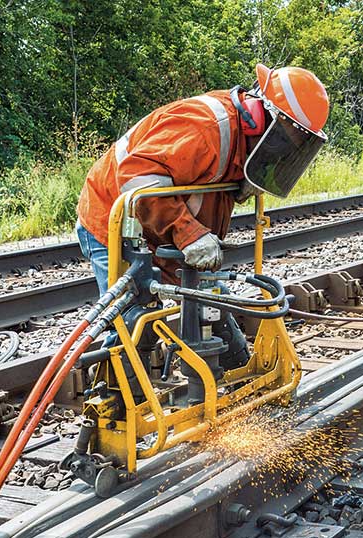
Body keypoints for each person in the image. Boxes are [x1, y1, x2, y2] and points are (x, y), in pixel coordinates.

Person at [74, 63, 329, 368]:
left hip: (160, 229)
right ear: (263, 118)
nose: (281, 153)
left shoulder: (241, 144)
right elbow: (138, 175)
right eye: (285, 142)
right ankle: (113, 403)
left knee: (212, 303)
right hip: (115, 221)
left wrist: (242, 182)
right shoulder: (206, 125)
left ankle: (236, 383)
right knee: (135, 316)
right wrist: (189, 233)